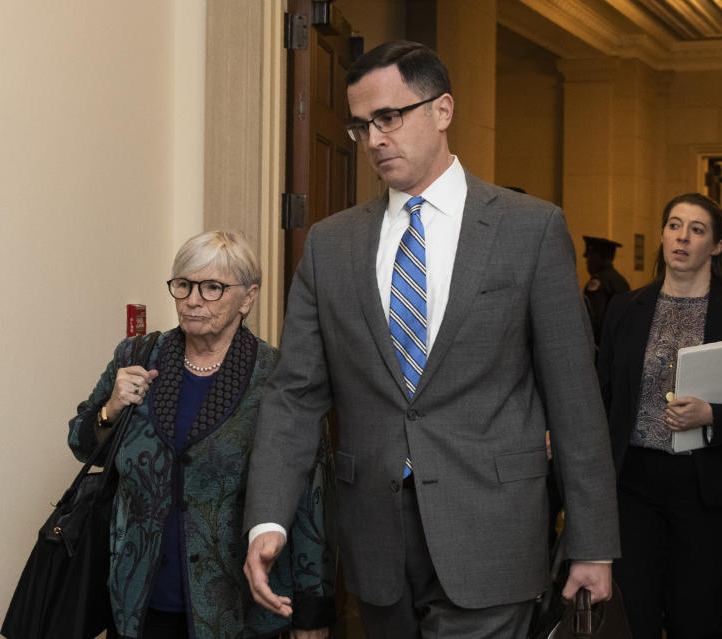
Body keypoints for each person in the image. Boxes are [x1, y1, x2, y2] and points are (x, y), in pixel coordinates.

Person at [242, 40, 619, 639]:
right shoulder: (331, 244)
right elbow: (295, 394)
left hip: (494, 531)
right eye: (361, 126)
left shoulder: (530, 230)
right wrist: (268, 519)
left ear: (442, 111)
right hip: (375, 537)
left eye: (389, 118)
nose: (374, 140)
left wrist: (592, 542)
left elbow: (573, 398)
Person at [67, 231, 334, 639]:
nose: (193, 299)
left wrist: (311, 612)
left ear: (248, 297)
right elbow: (82, 446)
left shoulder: (278, 378)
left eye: (213, 288)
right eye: (184, 285)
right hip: (137, 599)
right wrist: (111, 408)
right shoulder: (136, 356)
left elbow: (310, 501)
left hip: (237, 606)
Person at [597, 193, 722, 638]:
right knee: (635, 616)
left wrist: (713, 416)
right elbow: (602, 397)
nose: (682, 237)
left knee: (695, 617)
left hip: (709, 488)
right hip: (634, 487)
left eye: (697, 229)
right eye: (674, 225)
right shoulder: (625, 309)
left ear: (717, 246)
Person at [583, 236, 630, 345]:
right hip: (619, 342)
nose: (587, 262)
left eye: (589, 257)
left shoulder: (598, 282)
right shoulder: (621, 280)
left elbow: (594, 320)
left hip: (602, 344)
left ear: (597, 257)